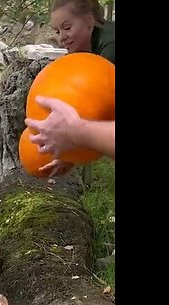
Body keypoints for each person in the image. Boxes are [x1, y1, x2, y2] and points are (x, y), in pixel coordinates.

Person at [25, 0, 116, 175]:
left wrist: (72, 139)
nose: (62, 37)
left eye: (67, 28)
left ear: (89, 19)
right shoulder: (91, 51)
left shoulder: (110, 48)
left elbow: (102, 111)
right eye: (58, 31)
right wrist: (71, 149)